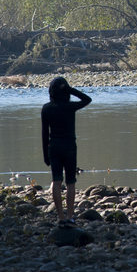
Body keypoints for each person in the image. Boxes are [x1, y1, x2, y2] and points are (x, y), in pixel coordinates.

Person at [41, 76, 92, 222]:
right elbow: (87, 99)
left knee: (56, 181)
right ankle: (70, 216)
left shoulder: (46, 108)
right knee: (70, 182)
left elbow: (44, 134)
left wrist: (45, 155)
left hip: (54, 147)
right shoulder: (70, 107)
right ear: (65, 92)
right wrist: (70, 89)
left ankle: (61, 217)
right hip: (69, 147)